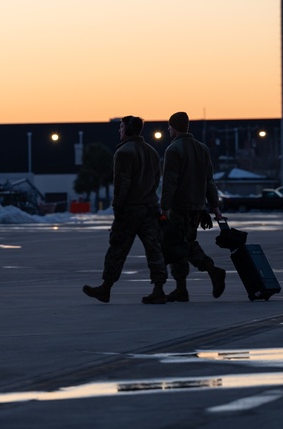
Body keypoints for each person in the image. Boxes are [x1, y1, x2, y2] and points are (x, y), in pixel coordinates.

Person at [83, 116, 169, 304]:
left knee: (118, 248)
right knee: (154, 248)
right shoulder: (152, 151)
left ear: (128, 129)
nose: (119, 130)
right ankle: (159, 288)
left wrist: (118, 207)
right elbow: (156, 180)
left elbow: (122, 184)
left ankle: (106, 288)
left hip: (130, 209)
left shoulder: (123, 153)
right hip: (150, 207)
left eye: (121, 127)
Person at [159, 111, 226, 302]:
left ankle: (208, 273)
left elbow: (170, 183)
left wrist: (164, 208)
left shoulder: (173, 150)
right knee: (185, 243)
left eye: (169, 126)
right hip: (197, 207)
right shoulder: (202, 148)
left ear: (174, 127)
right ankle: (185, 287)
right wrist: (215, 207)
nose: (168, 129)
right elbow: (209, 181)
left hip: (179, 207)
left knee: (177, 245)